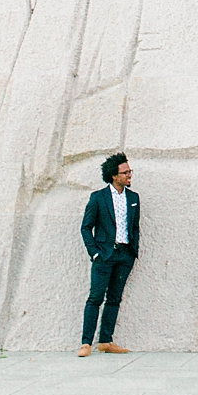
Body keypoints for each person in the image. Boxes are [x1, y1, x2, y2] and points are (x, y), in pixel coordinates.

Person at [78, 153, 140, 356]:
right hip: (104, 256)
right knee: (95, 298)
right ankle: (86, 343)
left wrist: (132, 252)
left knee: (114, 298)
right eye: (126, 172)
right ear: (114, 175)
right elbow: (86, 227)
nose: (129, 175)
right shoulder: (98, 198)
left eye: (130, 171)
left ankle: (106, 340)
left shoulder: (133, 198)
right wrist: (95, 253)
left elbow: (135, 227)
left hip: (124, 256)